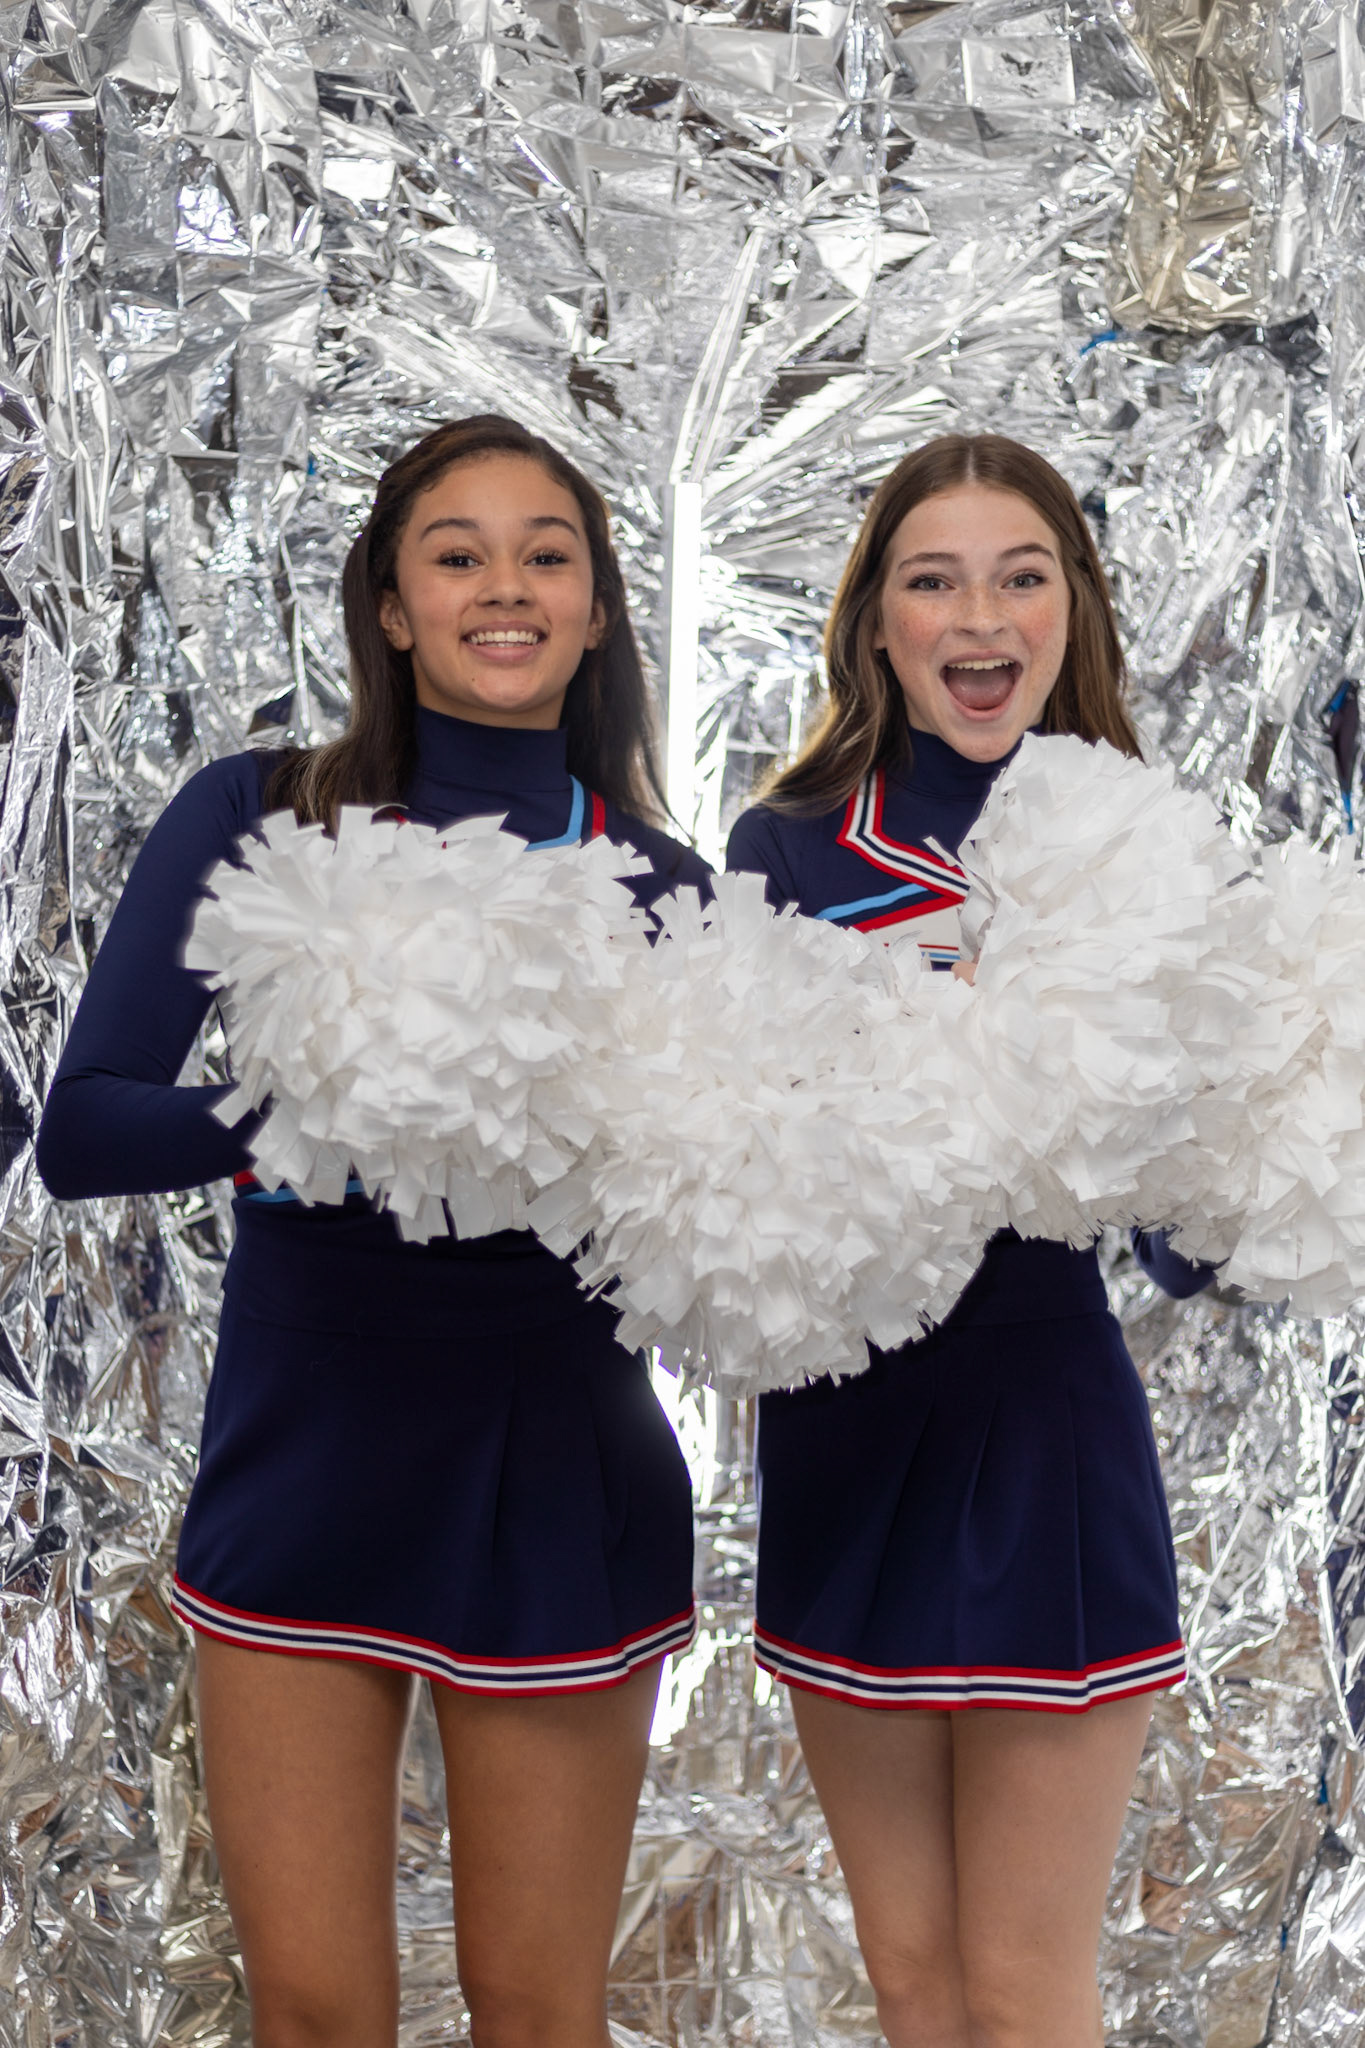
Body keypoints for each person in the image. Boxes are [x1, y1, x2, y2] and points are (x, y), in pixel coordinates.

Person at [38, 416, 712, 2048]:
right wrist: (302, 1119)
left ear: (599, 608)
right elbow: (80, 1130)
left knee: (536, 2010)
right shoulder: (263, 816)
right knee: (320, 2010)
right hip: (312, 1459)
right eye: (456, 552)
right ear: (393, 609)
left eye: (547, 553)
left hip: (564, 1474)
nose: (506, 586)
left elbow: (720, 1200)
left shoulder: (666, 888)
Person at [726, 434, 1211, 2048]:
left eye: (1021, 574)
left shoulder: (1142, 845)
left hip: (1037, 1438)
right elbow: (744, 1172)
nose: (978, 614)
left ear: (1071, 610)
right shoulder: (785, 852)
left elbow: (1172, 1245)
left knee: (1019, 1987)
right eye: (933, 579)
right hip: (847, 1437)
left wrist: (1230, 1177)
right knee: (915, 1982)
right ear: (876, 622)